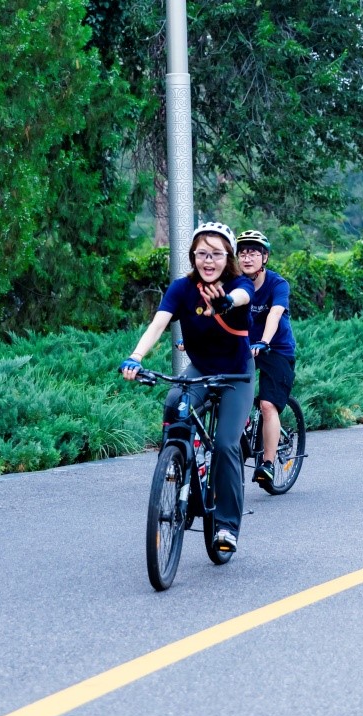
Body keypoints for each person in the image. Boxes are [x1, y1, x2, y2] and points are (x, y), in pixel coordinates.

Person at [121, 222, 255, 555]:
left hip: (237, 374)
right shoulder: (181, 289)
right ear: (193, 256)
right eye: (201, 253)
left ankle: (226, 525)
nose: (208, 261)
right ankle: (175, 463)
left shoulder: (239, 285)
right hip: (201, 369)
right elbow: (159, 323)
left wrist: (224, 303)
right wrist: (135, 357)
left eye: (216, 254)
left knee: (225, 445)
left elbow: (241, 297)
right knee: (173, 403)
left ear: (229, 257)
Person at [234, 229, 297, 489]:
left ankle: (268, 464)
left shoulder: (277, 284)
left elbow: (275, 314)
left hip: (276, 348)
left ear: (265, 258)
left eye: (254, 253)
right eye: (242, 253)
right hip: (244, 347)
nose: (247, 258)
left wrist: (265, 341)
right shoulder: (234, 284)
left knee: (268, 405)